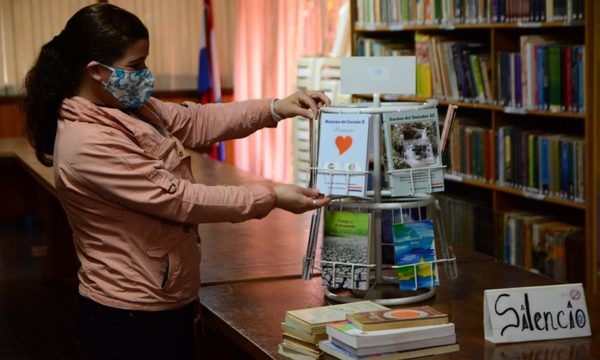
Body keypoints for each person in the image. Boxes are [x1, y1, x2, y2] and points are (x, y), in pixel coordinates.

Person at [23, 3, 331, 359]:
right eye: (135, 66)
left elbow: (196, 121)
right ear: (95, 71)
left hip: (164, 296)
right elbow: (180, 199)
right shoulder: (87, 141)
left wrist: (275, 107)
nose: (145, 74)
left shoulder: (126, 107)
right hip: (130, 316)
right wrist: (271, 196)